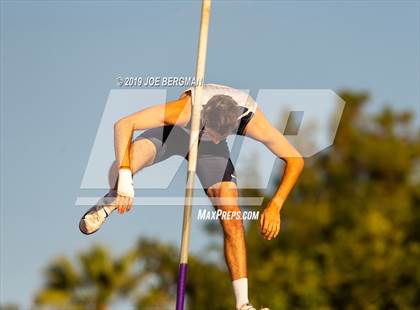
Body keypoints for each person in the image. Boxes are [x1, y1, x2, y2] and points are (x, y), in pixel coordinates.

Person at [79, 83, 304, 310]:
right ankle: (111, 199)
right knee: (129, 161)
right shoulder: (185, 109)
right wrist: (126, 177)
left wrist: (275, 205)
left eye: (222, 135)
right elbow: (124, 124)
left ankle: (243, 304)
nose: (217, 138)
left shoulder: (249, 119)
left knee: (233, 217)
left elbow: (295, 159)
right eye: (214, 132)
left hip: (210, 154)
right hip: (175, 134)